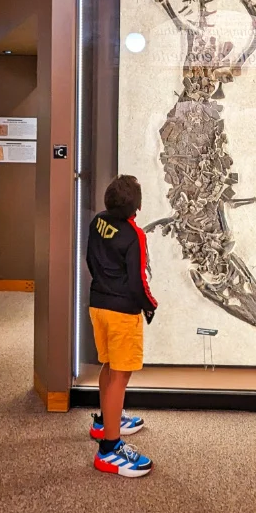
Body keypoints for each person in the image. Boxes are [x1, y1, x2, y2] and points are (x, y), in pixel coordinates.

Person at [85, 174, 157, 477]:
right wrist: (149, 305)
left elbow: (90, 260)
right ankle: (109, 448)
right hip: (122, 312)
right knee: (120, 375)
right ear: (136, 208)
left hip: (98, 305)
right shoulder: (133, 234)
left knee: (108, 365)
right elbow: (139, 279)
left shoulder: (97, 222)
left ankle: (104, 421)